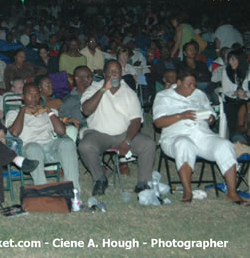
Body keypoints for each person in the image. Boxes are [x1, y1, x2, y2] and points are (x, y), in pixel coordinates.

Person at [153, 68, 246, 204]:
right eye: (188, 84)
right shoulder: (164, 96)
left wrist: (210, 119)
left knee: (224, 145)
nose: (192, 88)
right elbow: (158, 122)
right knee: (184, 144)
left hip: (202, 135)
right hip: (175, 136)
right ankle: (187, 191)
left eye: (194, 85)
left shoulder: (199, 94)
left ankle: (232, 193)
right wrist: (181, 116)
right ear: (178, 82)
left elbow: (211, 114)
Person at [79, 60, 156, 196]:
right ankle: (100, 179)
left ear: (121, 74)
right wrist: (103, 89)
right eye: (111, 71)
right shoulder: (93, 88)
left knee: (148, 144)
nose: (114, 74)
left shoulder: (129, 93)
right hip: (99, 134)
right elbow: (86, 110)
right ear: (104, 74)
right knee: (85, 146)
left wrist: (128, 140)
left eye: (117, 71)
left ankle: (143, 183)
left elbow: (136, 120)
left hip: (123, 134)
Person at [6, 84, 80, 190]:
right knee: (34, 148)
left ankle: (74, 191)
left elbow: (61, 131)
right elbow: (15, 133)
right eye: (30, 94)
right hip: (28, 149)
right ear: (23, 96)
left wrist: (49, 111)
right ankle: (44, 191)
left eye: (36, 94)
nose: (34, 98)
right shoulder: (14, 113)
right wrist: (23, 110)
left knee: (68, 143)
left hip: (49, 147)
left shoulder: (46, 112)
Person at [221, 49, 249, 140]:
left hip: (245, 101)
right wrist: (235, 93)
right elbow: (226, 90)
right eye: (230, 59)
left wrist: (246, 94)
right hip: (231, 101)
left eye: (233, 59)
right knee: (233, 119)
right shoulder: (226, 72)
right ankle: (235, 138)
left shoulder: (248, 72)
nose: (231, 62)